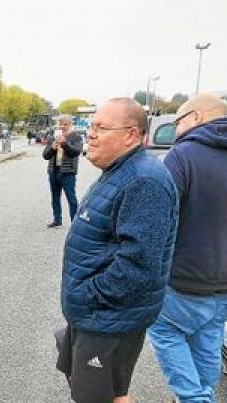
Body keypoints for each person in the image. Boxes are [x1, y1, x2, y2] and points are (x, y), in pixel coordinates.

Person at [57, 98, 178, 403]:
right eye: (92, 126)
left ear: (131, 135)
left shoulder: (144, 181)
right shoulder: (121, 171)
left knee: (98, 397)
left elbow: (138, 267)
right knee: (106, 393)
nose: (91, 135)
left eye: (101, 128)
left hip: (107, 319)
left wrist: (88, 296)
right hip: (97, 317)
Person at [148, 94, 227, 402]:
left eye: (177, 122)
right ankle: (203, 396)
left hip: (183, 281)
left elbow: (156, 219)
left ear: (195, 117)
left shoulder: (182, 156)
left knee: (164, 331)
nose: (176, 130)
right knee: (208, 343)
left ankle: (194, 399)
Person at [42, 115, 83, 227]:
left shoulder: (76, 137)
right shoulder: (52, 137)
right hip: (54, 171)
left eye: (65, 124)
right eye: (60, 124)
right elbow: (45, 155)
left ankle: (75, 222)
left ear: (70, 125)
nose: (62, 126)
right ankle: (57, 219)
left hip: (68, 172)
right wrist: (52, 147)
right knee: (55, 197)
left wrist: (64, 144)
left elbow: (76, 152)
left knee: (71, 198)